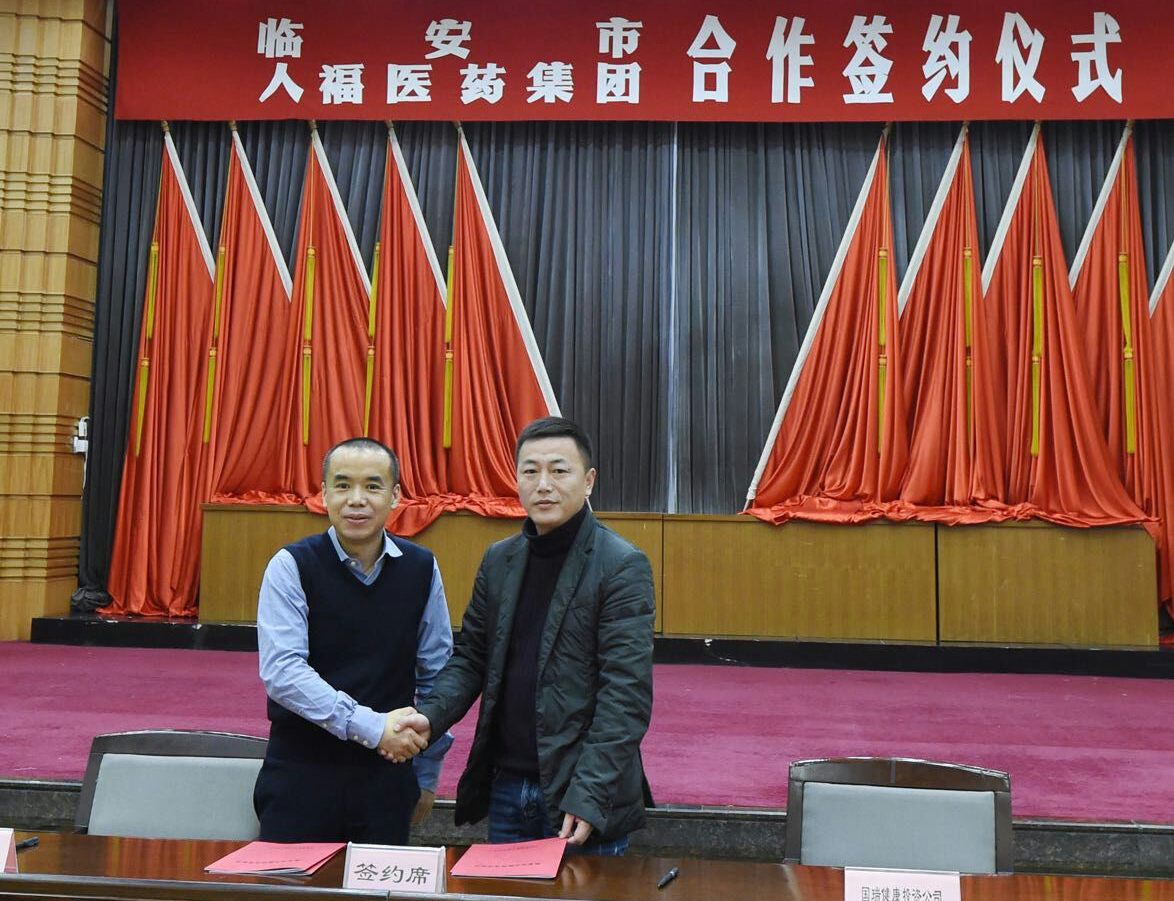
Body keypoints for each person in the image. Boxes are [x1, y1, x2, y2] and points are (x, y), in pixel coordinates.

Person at [392, 416, 655, 854]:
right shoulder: (500, 560)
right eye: (530, 471)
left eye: (559, 470)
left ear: (589, 481)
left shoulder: (621, 565)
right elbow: (471, 657)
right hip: (507, 788)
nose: (543, 484)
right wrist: (430, 717)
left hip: (577, 796)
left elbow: (625, 696)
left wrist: (589, 794)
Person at [253, 437, 453, 844]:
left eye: (372, 486)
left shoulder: (421, 568)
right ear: (324, 493)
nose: (356, 499)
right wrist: (373, 727)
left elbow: (438, 675)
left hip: (387, 780)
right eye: (343, 485)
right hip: (301, 775)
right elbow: (283, 673)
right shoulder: (291, 566)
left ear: (395, 496)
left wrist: (426, 773)